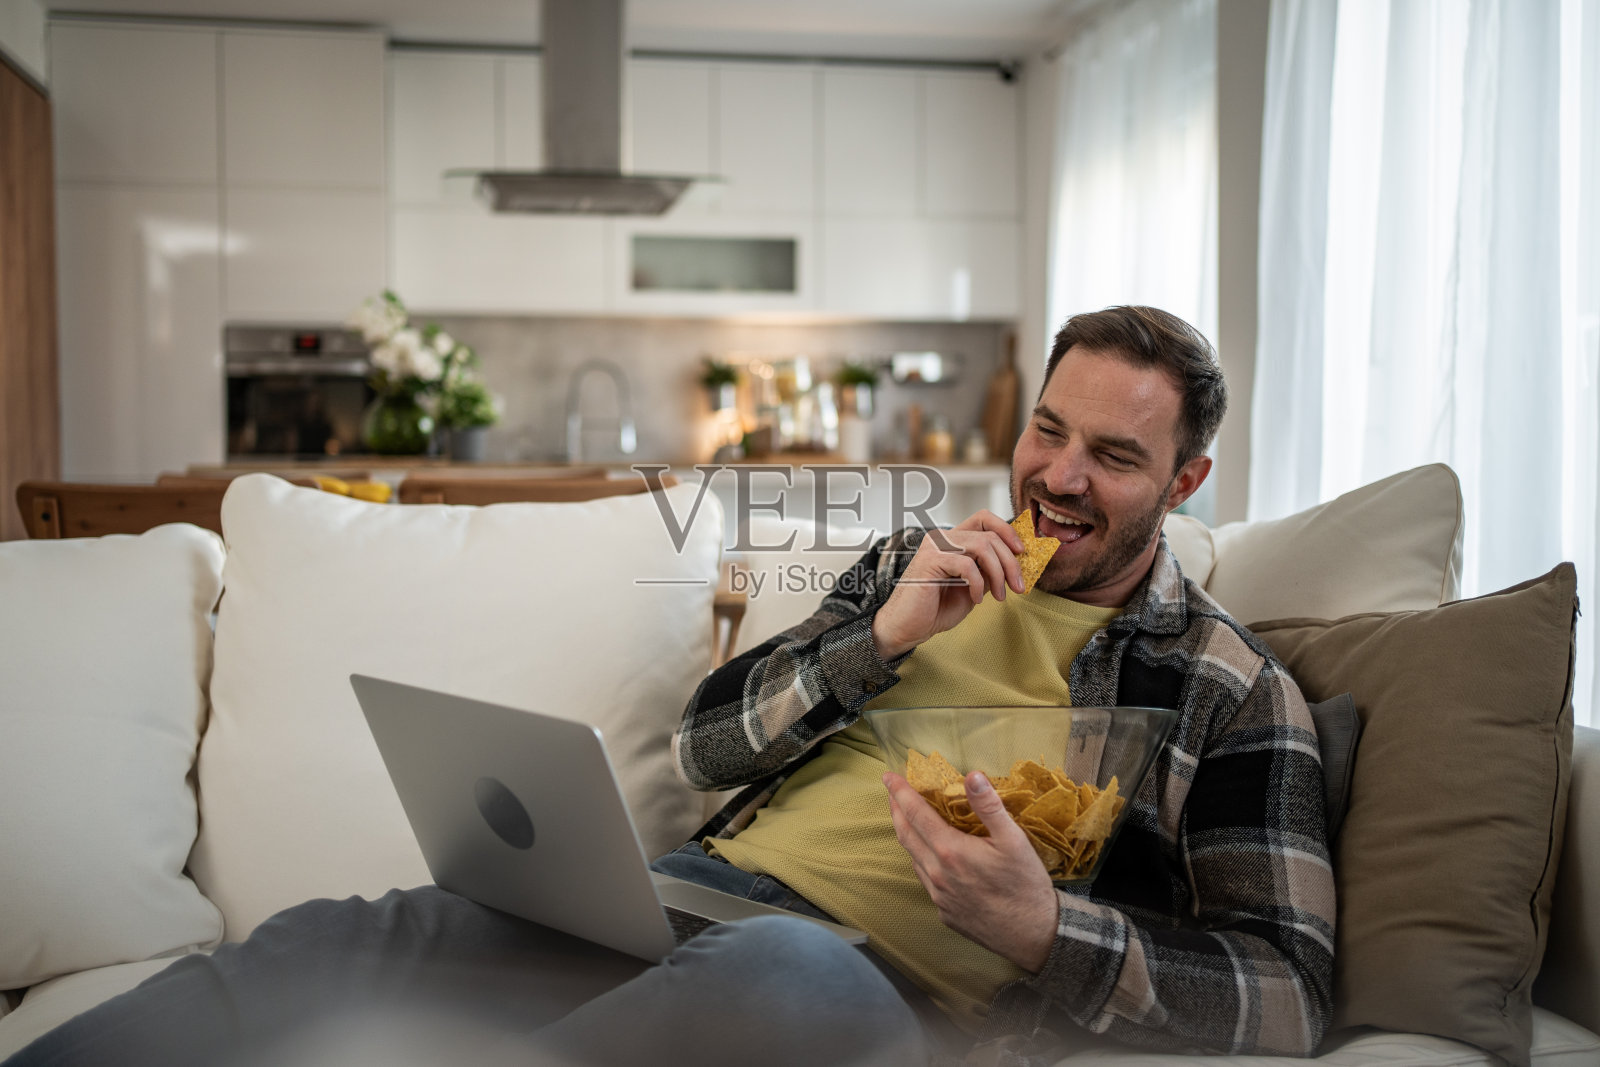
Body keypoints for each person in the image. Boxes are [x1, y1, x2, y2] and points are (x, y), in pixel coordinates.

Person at [5, 306, 1332, 1067]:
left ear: (1187, 481)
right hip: (679, 907)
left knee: (775, 977)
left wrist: (1046, 931)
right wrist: (876, 641)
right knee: (345, 939)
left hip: (879, 985)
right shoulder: (914, 565)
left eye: (1111, 454)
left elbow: (1287, 988)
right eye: (1048, 429)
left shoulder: (1224, 686)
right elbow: (705, 749)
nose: (1059, 476)